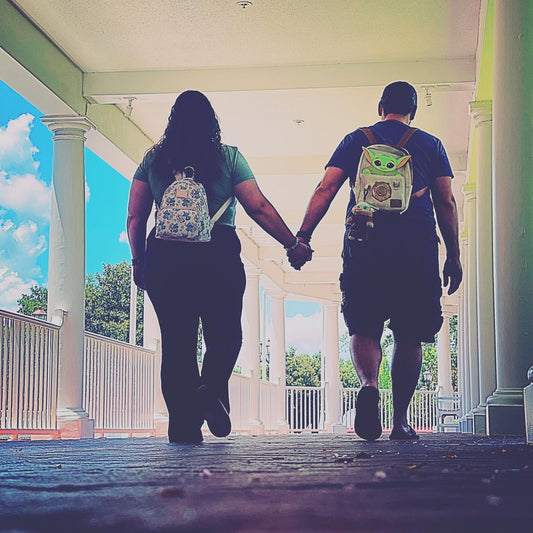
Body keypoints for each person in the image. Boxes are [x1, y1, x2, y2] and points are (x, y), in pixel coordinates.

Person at [127, 90, 311, 444]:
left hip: (165, 257)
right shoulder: (228, 157)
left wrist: (139, 261)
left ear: (173, 121)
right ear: (212, 122)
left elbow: (136, 216)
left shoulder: (154, 159)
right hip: (218, 253)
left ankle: (183, 426)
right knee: (226, 335)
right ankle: (210, 387)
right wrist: (293, 244)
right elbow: (257, 206)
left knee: (178, 343)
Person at [292, 81, 462, 441]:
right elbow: (445, 202)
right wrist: (454, 254)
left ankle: (369, 384)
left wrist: (303, 236)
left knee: (364, 324)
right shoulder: (430, 144)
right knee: (410, 332)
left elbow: (326, 188)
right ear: (413, 110)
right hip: (415, 246)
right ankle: (399, 421)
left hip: (364, 241)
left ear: (381, 106)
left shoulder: (357, 139)